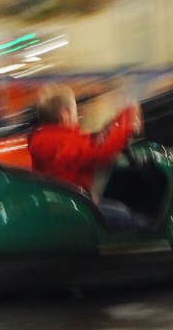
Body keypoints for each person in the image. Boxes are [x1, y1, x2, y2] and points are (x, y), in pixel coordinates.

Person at [28, 83, 146, 228]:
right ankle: (154, 237)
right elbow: (102, 151)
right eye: (75, 111)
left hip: (63, 201)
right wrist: (129, 117)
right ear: (65, 116)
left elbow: (92, 143)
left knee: (113, 206)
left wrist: (119, 120)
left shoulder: (44, 140)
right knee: (123, 213)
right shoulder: (66, 143)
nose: (78, 116)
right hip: (72, 206)